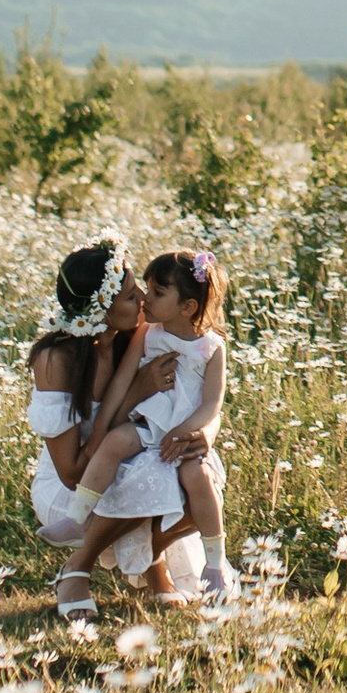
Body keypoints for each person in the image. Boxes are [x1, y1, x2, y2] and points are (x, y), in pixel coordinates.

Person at [56, 249, 232, 611]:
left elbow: (212, 403)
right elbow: (123, 382)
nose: (145, 299)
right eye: (145, 288)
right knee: (117, 441)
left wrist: (187, 432)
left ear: (187, 307)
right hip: (146, 426)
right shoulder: (149, 334)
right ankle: (75, 520)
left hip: (181, 434)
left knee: (197, 476)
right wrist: (105, 427)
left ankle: (215, 566)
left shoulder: (211, 347)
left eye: (156, 292)